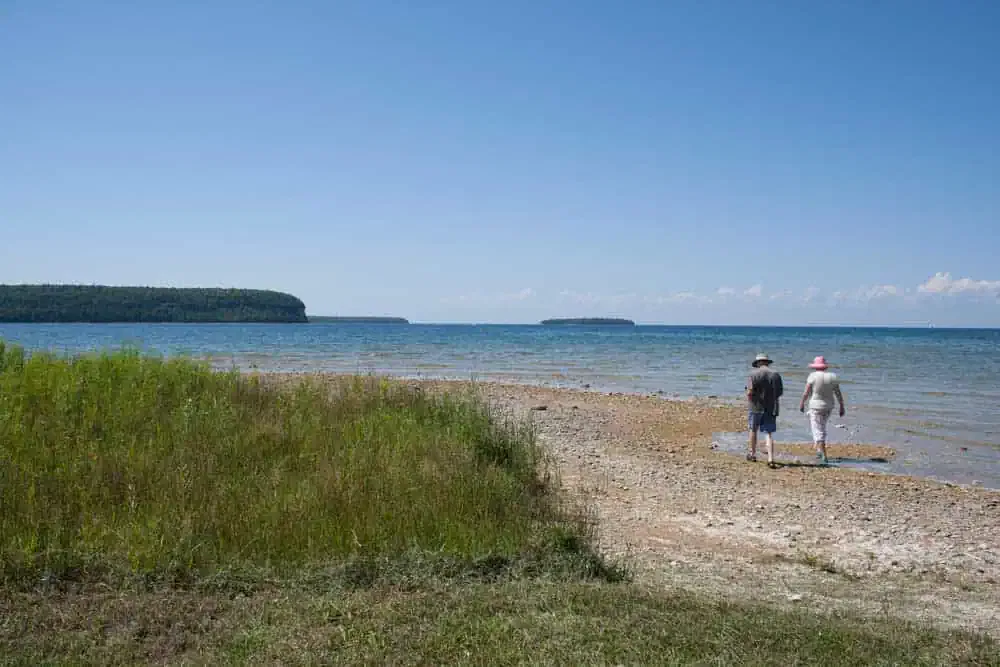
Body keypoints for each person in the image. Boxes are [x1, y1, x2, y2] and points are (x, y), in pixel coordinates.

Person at [798, 356, 846, 465]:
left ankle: (823, 454)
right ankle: (819, 450)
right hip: (829, 406)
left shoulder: (812, 376)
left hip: (815, 406)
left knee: (817, 429)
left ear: (815, 366)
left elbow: (806, 392)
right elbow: (838, 393)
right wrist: (842, 406)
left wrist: (802, 403)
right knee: (821, 427)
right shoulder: (832, 376)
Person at [745, 353, 784, 467]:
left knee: (753, 430)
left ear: (757, 363)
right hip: (770, 407)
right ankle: (770, 458)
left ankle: (752, 454)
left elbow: (750, 391)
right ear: (767, 363)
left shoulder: (753, 374)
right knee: (768, 433)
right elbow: (779, 392)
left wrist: (749, 395)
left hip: (755, 406)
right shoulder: (776, 374)